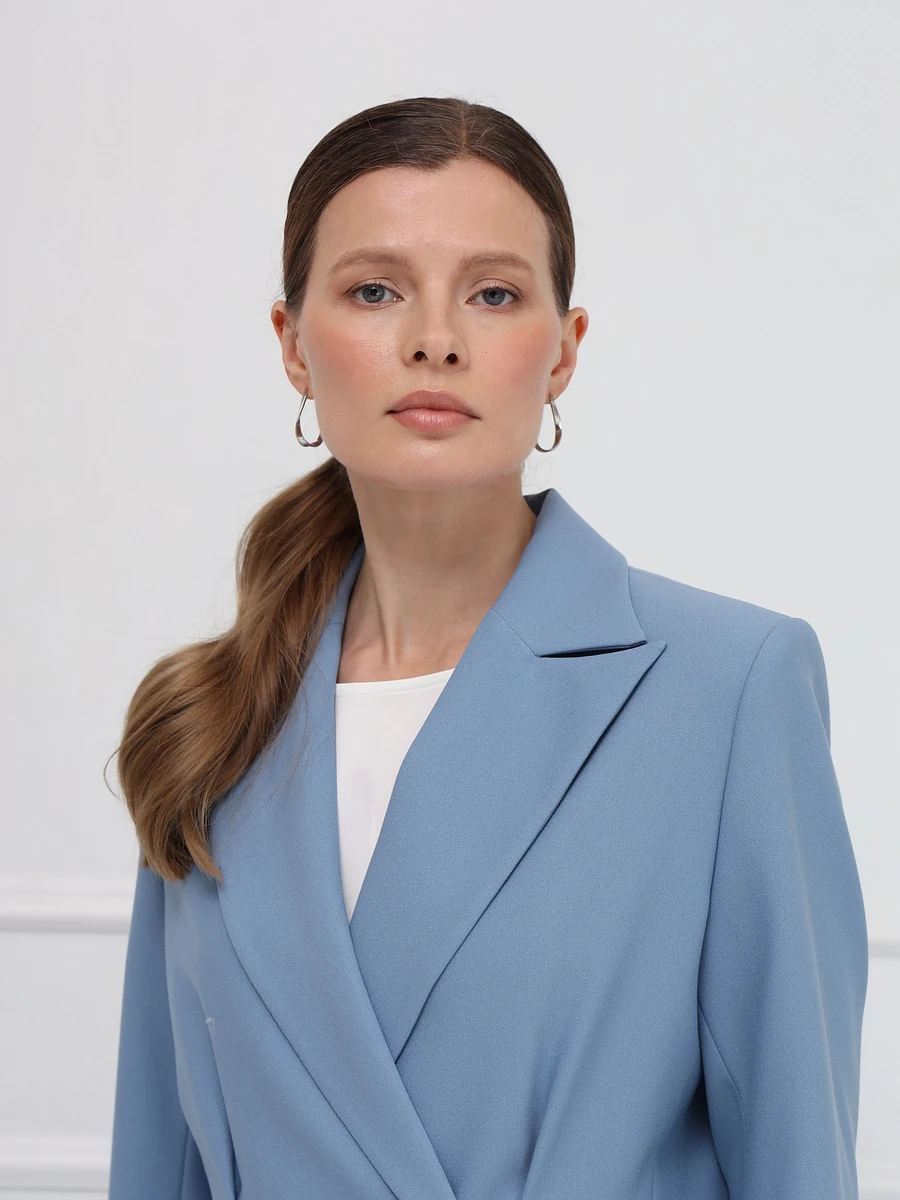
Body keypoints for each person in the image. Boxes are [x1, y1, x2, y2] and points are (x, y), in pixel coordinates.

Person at [107, 96, 868, 1200]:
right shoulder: (210, 716)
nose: (435, 338)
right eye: (375, 290)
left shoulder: (729, 690)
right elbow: (159, 1160)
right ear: (292, 345)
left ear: (563, 352)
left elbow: (797, 1158)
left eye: (494, 293)